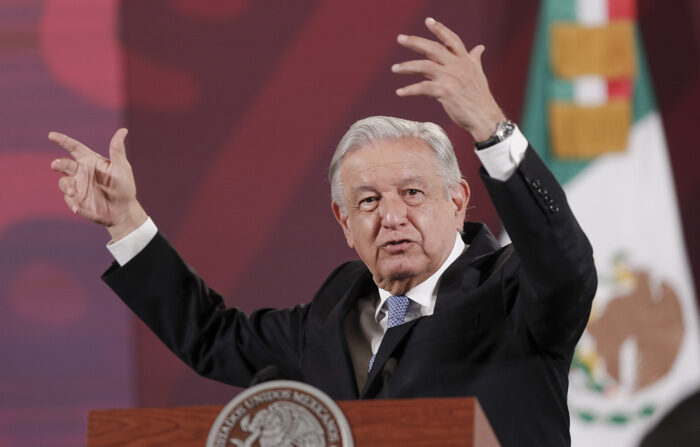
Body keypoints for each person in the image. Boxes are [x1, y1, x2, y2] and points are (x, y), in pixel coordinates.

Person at [49, 18, 596, 447]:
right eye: (367, 202)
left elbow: (565, 265)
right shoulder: (335, 310)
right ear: (344, 224)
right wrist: (124, 219)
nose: (391, 217)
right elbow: (213, 337)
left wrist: (490, 130)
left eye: (412, 193)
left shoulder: (514, 291)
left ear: (457, 202)